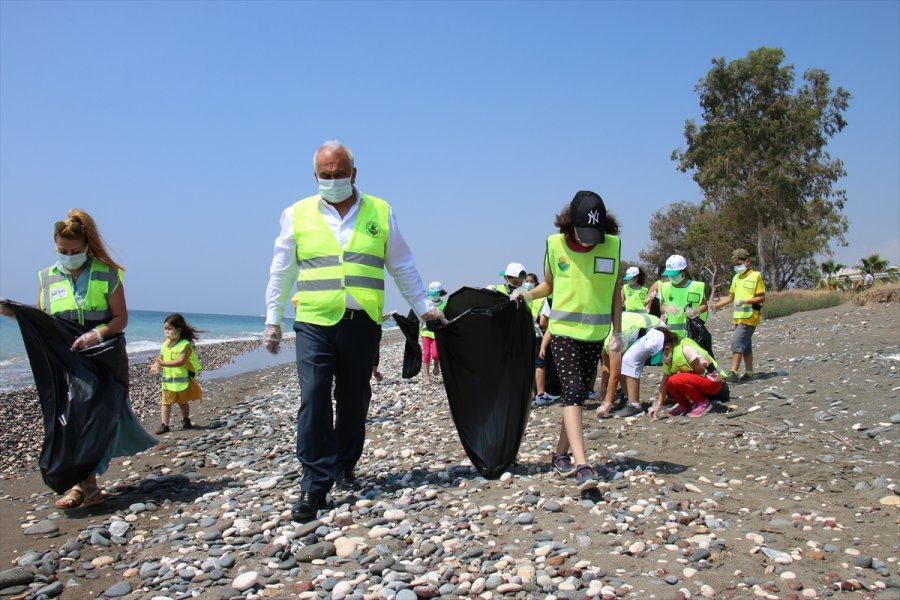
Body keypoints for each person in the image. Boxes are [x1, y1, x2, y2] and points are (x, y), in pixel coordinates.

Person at [263, 140, 444, 522]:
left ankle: (345, 464)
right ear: (316, 176)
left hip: (362, 325)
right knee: (313, 397)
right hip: (314, 322)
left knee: (354, 399)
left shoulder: (380, 211)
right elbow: (282, 270)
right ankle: (314, 483)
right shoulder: (295, 214)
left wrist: (426, 309)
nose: (332, 181)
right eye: (324, 176)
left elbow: (402, 266)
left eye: (339, 175)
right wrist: (272, 319)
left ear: (354, 174)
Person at [0, 209, 156, 510]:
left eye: (74, 251)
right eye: (62, 251)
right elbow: (44, 320)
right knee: (68, 416)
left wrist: (96, 334)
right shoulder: (46, 277)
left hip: (100, 354)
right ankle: (82, 486)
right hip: (64, 356)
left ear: (86, 247)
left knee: (95, 415)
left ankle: (86, 484)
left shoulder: (106, 273)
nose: (68, 256)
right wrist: (17, 315)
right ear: (55, 247)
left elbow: (120, 318)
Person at [513, 191, 623, 492]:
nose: (589, 240)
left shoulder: (612, 246)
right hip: (562, 332)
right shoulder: (554, 244)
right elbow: (548, 284)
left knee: (578, 395)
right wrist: (527, 294)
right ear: (569, 224)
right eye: (583, 233)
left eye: (594, 234)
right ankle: (582, 464)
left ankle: (560, 454)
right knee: (572, 392)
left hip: (595, 334)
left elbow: (615, 290)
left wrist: (618, 331)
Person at [711, 248, 766, 383]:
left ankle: (733, 372)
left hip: (750, 316)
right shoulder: (736, 278)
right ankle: (749, 373)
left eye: (738, 264)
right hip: (738, 317)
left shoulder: (756, 276)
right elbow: (730, 297)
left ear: (747, 262)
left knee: (737, 342)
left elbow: (761, 297)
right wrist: (716, 306)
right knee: (745, 345)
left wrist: (746, 301)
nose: (736, 267)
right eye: (735, 265)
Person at [595, 312, 663, 418]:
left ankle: (634, 405)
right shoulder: (602, 337)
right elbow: (606, 364)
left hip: (657, 329)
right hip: (650, 327)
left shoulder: (610, 339)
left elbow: (615, 375)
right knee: (621, 361)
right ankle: (627, 398)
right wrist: (603, 387)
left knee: (629, 359)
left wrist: (607, 403)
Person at [649, 329, 724, 419]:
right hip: (700, 381)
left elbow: (701, 371)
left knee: (676, 379)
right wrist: (658, 404)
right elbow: (664, 383)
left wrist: (686, 371)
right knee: (669, 381)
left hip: (712, 381)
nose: (660, 361)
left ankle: (702, 403)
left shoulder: (685, 349)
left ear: (667, 349)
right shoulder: (670, 359)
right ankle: (684, 405)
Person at [148, 313, 203, 434]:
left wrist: (163, 364)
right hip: (168, 381)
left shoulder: (185, 345)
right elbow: (160, 357)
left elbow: (180, 361)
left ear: (178, 330)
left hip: (181, 380)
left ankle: (186, 420)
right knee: (165, 403)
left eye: (169, 328)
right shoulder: (166, 344)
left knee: (183, 403)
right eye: (165, 328)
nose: (167, 331)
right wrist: (155, 365)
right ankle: (164, 425)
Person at [658, 255, 709, 339]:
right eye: (669, 275)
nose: (671, 277)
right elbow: (662, 307)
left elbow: (704, 306)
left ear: (683, 271)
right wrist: (667, 308)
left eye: (674, 275)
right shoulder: (664, 287)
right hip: (672, 333)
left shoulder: (696, 286)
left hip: (692, 332)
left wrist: (696, 311)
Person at [421, 281, 447, 384]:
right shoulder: (426, 303)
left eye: (435, 294)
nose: (433, 296)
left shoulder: (445, 304)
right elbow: (421, 315)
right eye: (431, 294)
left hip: (437, 333)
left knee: (436, 355)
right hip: (425, 332)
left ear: (440, 293)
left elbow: (446, 318)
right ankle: (427, 377)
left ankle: (436, 364)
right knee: (426, 353)